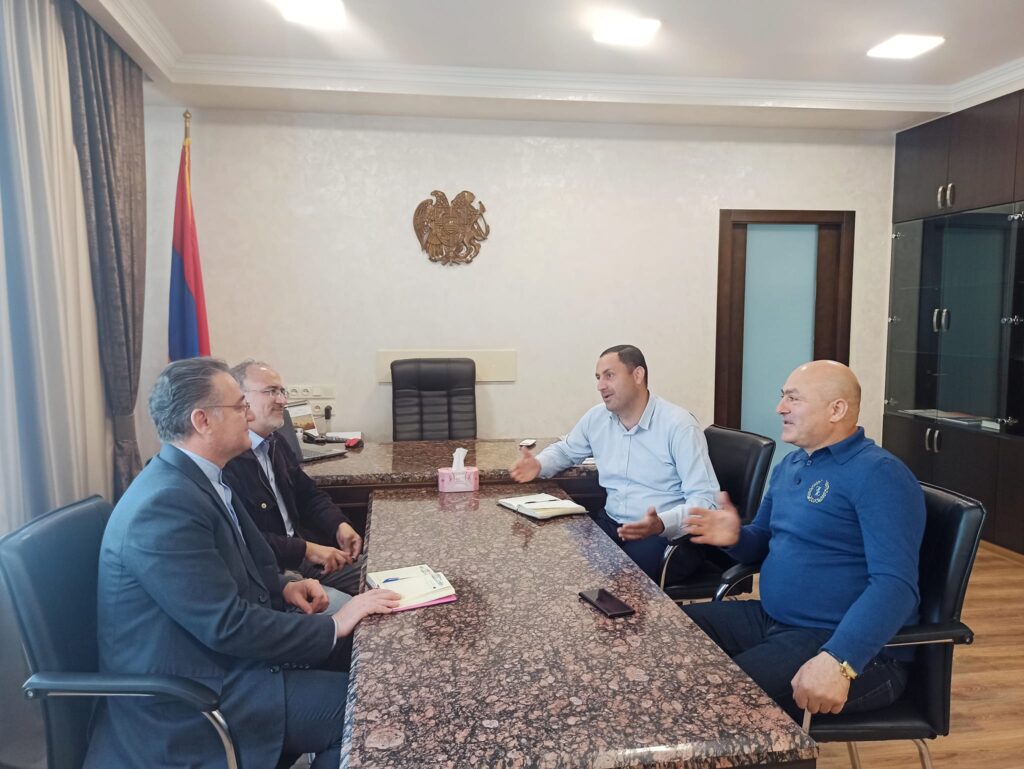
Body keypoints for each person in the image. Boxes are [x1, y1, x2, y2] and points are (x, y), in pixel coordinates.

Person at [84, 358, 399, 769]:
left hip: (231, 663)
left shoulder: (202, 479)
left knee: (371, 667)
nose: (249, 415)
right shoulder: (162, 507)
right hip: (195, 696)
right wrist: (334, 623)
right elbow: (226, 624)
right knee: (370, 711)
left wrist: (284, 587)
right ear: (202, 421)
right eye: (238, 407)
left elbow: (237, 568)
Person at [682, 360, 925, 722]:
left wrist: (840, 658)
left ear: (836, 409)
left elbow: (896, 586)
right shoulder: (792, 465)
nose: (780, 408)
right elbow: (761, 542)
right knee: (662, 637)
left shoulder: (879, 474)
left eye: (793, 398)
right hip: (771, 619)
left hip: (845, 645)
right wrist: (734, 537)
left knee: (714, 702)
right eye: (783, 397)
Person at [510, 344, 719, 581]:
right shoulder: (597, 417)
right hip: (612, 523)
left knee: (620, 583)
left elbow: (706, 502)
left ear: (637, 375)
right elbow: (566, 450)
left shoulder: (679, 425)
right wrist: (539, 464)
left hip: (666, 537)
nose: (600, 386)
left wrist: (662, 523)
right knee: (566, 566)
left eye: (609, 375)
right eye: (598, 378)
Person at [223, 359, 362, 606]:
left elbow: (308, 495)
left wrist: (339, 525)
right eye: (271, 391)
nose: (282, 400)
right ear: (241, 399)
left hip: (304, 558)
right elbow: (244, 539)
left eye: (282, 391)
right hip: (272, 573)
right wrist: (306, 549)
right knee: (353, 610)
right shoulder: (227, 459)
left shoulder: (276, 442)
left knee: (382, 576)